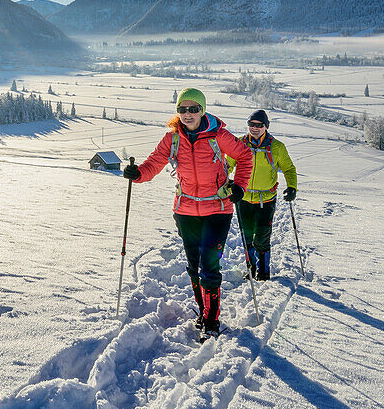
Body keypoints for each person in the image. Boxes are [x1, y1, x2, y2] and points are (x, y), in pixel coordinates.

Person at [123, 88, 253, 341]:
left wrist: (239, 185)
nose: (188, 114)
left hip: (217, 209)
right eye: (182, 109)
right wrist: (137, 174)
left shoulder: (219, 136)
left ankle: (211, 321)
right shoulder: (171, 139)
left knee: (210, 265)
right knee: (194, 266)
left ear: (203, 110)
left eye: (193, 109)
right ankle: (204, 313)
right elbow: (154, 163)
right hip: (185, 210)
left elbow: (245, 155)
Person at [235, 110, 297, 281]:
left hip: (266, 200)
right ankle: (250, 269)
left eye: (259, 125)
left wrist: (292, 187)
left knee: (262, 237)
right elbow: (227, 164)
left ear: (266, 127)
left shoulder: (276, 147)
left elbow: (289, 169)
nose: (254, 128)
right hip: (244, 198)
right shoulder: (239, 143)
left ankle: (263, 273)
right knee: (246, 236)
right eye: (251, 124)